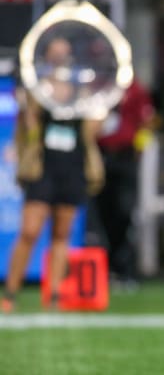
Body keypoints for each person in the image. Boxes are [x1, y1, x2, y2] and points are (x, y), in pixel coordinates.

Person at [1, 37, 105, 313]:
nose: (61, 58)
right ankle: (10, 293)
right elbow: (28, 127)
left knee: (62, 235)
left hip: (72, 167)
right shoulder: (37, 89)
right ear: (47, 56)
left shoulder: (82, 92)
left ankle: (55, 296)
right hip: (43, 168)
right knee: (29, 231)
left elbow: (93, 130)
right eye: (56, 53)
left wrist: (100, 106)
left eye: (65, 53)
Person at [94, 78, 154, 288]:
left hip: (125, 156)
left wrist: (139, 148)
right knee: (102, 212)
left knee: (126, 211)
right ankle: (105, 269)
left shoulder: (135, 87)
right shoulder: (99, 85)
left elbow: (147, 121)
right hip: (101, 155)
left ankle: (125, 268)